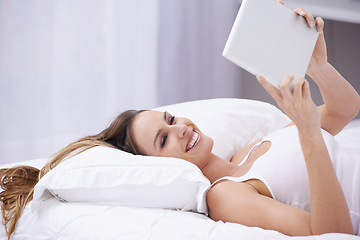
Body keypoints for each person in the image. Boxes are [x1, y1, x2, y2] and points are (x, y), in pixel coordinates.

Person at [1, 6, 360, 239]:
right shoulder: (225, 195)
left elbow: (345, 110)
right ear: (157, 167)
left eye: (170, 120)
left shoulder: (252, 147)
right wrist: (308, 133)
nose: (180, 128)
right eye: (163, 140)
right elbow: (332, 234)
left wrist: (317, 66)